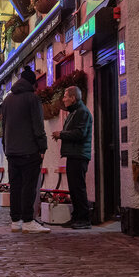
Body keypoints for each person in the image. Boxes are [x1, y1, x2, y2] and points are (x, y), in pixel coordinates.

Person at [0, 67, 50, 233]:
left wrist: (6, 147)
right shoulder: (32, 98)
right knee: (29, 186)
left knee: (15, 186)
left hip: (12, 151)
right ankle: (28, 220)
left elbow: (4, 126)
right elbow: (38, 125)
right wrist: (42, 147)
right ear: (33, 83)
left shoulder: (7, 100)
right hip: (29, 150)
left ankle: (16, 221)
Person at [53, 86, 93, 229]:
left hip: (79, 155)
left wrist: (61, 134)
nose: (63, 99)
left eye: (65, 96)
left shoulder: (82, 112)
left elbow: (80, 133)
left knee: (78, 188)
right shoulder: (74, 112)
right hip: (73, 154)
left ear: (73, 98)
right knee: (74, 189)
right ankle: (76, 217)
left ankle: (84, 219)